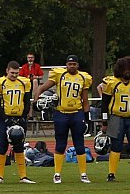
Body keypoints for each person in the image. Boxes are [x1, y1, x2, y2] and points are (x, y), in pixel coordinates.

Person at [36, 55, 94, 184]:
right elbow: (42, 88)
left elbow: (85, 100)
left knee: (80, 145)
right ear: (66, 65)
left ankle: (83, 174)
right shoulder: (59, 75)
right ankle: (57, 174)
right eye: (69, 64)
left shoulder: (83, 77)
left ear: (77, 65)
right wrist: (35, 101)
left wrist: (87, 117)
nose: (72, 66)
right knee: (60, 144)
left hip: (77, 113)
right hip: (61, 113)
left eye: (74, 64)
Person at [98, 57, 130, 182]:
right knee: (116, 146)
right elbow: (104, 103)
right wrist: (104, 121)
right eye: (125, 68)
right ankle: (111, 174)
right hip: (116, 118)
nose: (127, 71)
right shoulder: (111, 82)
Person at [0, 61, 34, 184]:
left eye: (16, 73)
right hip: (4, 119)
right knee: (2, 146)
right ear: (7, 71)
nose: (14, 75)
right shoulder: (0, 83)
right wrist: (6, 119)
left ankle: (23, 176)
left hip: (20, 118)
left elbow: (27, 102)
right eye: (12, 73)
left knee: (19, 147)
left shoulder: (24, 82)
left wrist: (23, 117)